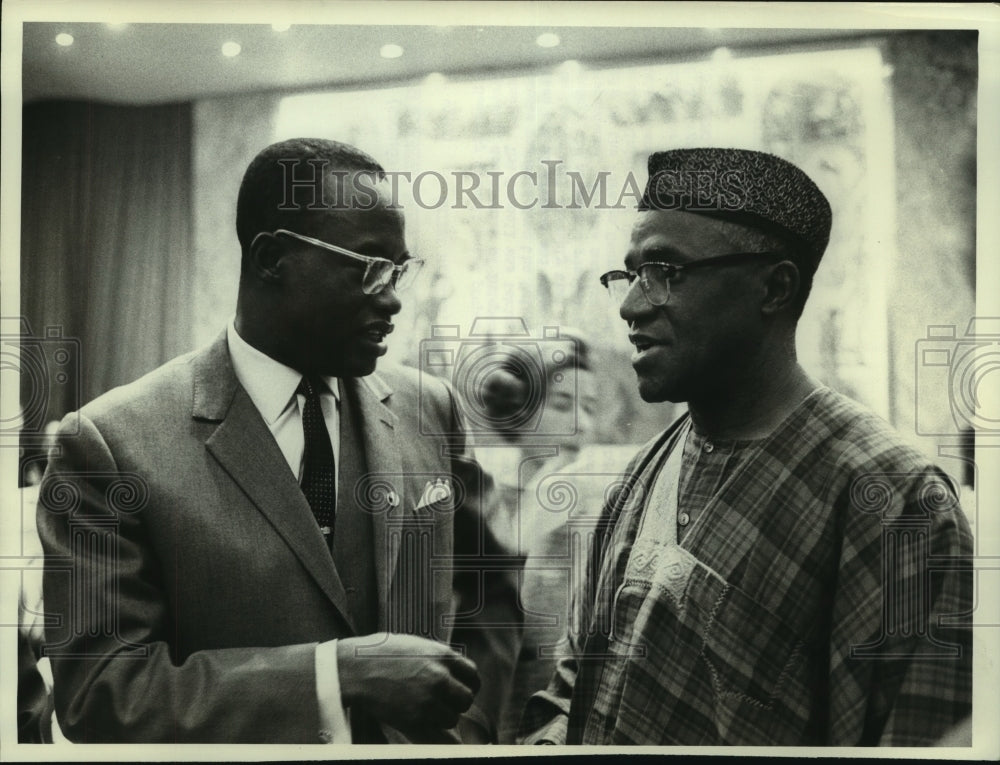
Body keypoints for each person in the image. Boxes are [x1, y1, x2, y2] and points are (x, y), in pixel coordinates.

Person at [37, 138, 521, 744]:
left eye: (400, 271)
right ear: (271, 259)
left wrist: (468, 734)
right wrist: (333, 675)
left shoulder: (431, 408)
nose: (394, 298)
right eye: (370, 267)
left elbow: (491, 593)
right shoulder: (110, 444)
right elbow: (102, 694)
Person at [519, 148, 973, 746]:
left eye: (666, 272)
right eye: (629, 276)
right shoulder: (643, 473)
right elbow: (575, 689)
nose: (631, 306)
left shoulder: (893, 499)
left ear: (774, 287)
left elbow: (919, 740)